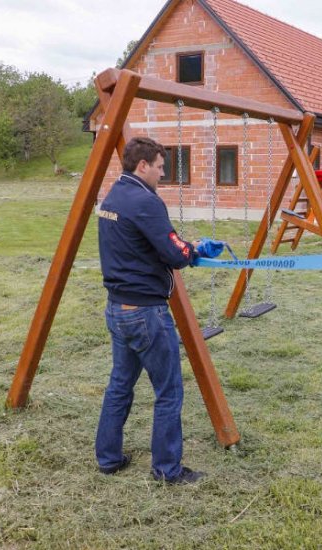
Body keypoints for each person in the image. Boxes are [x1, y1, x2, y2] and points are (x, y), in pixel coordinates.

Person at [95, 136, 205, 485]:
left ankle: (108, 458)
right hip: (146, 314)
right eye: (160, 167)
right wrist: (194, 250)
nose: (162, 174)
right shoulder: (146, 201)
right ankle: (167, 470)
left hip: (117, 309)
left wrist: (183, 248)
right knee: (169, 391)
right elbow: (175, 253)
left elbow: (143, 244)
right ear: (142, 165)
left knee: (119, 385)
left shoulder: (113, 195)